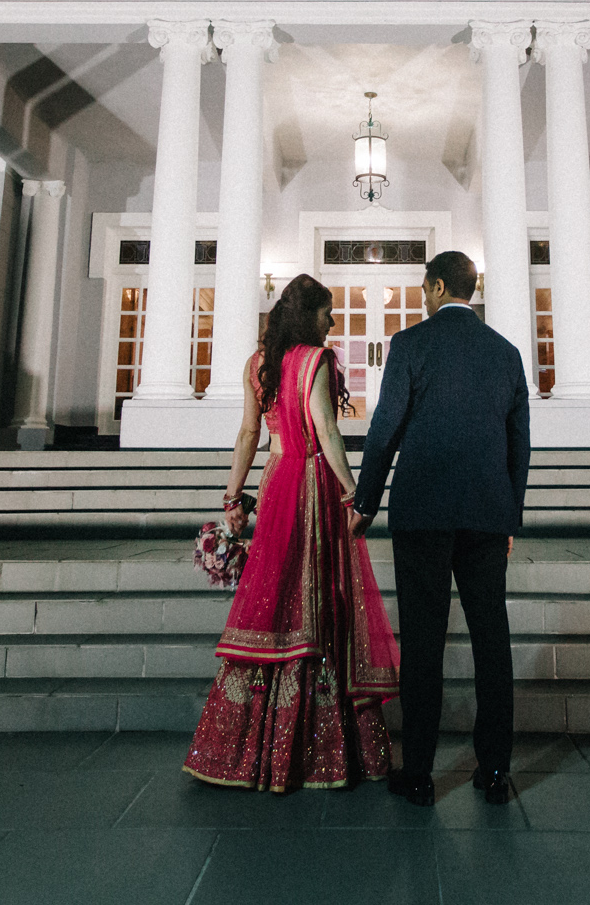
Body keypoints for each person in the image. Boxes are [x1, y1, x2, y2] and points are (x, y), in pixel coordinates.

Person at [183, 273, 399, 792]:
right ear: (311, 315)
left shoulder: (258, 364)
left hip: (276, 483)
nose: (333, 321)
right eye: (328, 312)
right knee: (319, 597)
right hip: (312, 486)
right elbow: (325, 430)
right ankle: (320, 745)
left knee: (277, 595)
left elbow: (248, 433)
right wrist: (355, 494)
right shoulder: (316, 361)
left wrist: (233, 498)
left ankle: (253, 747)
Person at [353, 250, 529, 807]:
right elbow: (519, 444)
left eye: (424, 288)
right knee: (491, 639)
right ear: (471, 290)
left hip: (422, 511)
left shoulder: (410, 345)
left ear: (435, 286)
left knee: (424, 642)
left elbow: (385, 430)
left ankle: (421, 774)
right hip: (486, 512)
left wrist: (365, 501)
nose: (423, 297)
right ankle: (496, 771)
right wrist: (509, 515)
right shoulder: (506, 353)